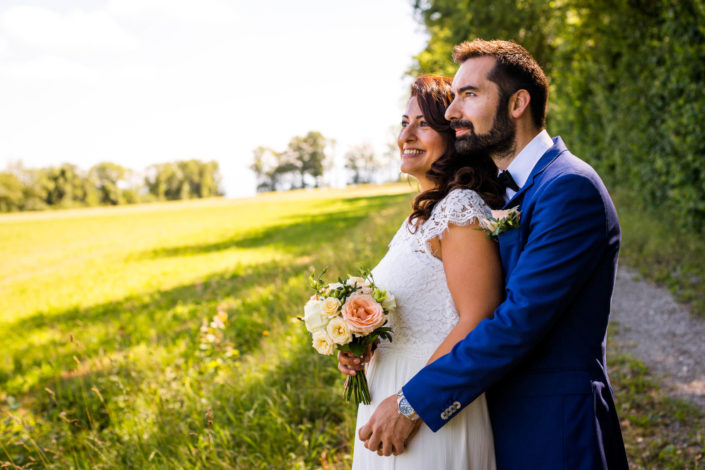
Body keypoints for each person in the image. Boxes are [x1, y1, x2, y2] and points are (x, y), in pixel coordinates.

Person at [347, 39, 630, 469]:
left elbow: (517, 321)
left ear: (518, 103)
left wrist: (411, 404)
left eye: (469, 94)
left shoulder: (570, 188)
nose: (452, 111)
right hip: (494, 416)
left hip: (553, 429)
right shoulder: (507, 192)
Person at [348, 75, 506, 469]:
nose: (407, 135)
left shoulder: (460, 209)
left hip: (429, 410)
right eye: (404, 123)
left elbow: (479, 318)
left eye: (424, 124)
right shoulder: (419, 219)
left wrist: (409, 406)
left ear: (454, 135)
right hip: (385, 399)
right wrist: (359, 346)